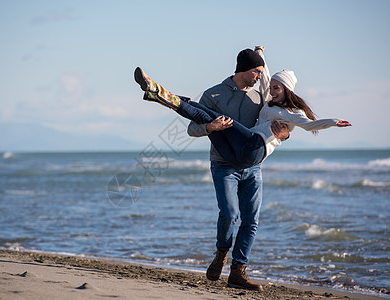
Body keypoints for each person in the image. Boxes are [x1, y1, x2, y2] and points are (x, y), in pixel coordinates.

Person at [133, 49, 351, 291]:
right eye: (256, 72)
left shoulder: (261, 98)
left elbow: (289, 124)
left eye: (261, 73)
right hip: (224, 162)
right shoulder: (214, 93)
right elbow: (192, 130)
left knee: (251, 221)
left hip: (252, 164)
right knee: (229, 213)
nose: (260, 77)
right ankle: (221, 254)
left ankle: (238, 271)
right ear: (244, 70)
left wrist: (287, 133)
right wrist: (210, 127)